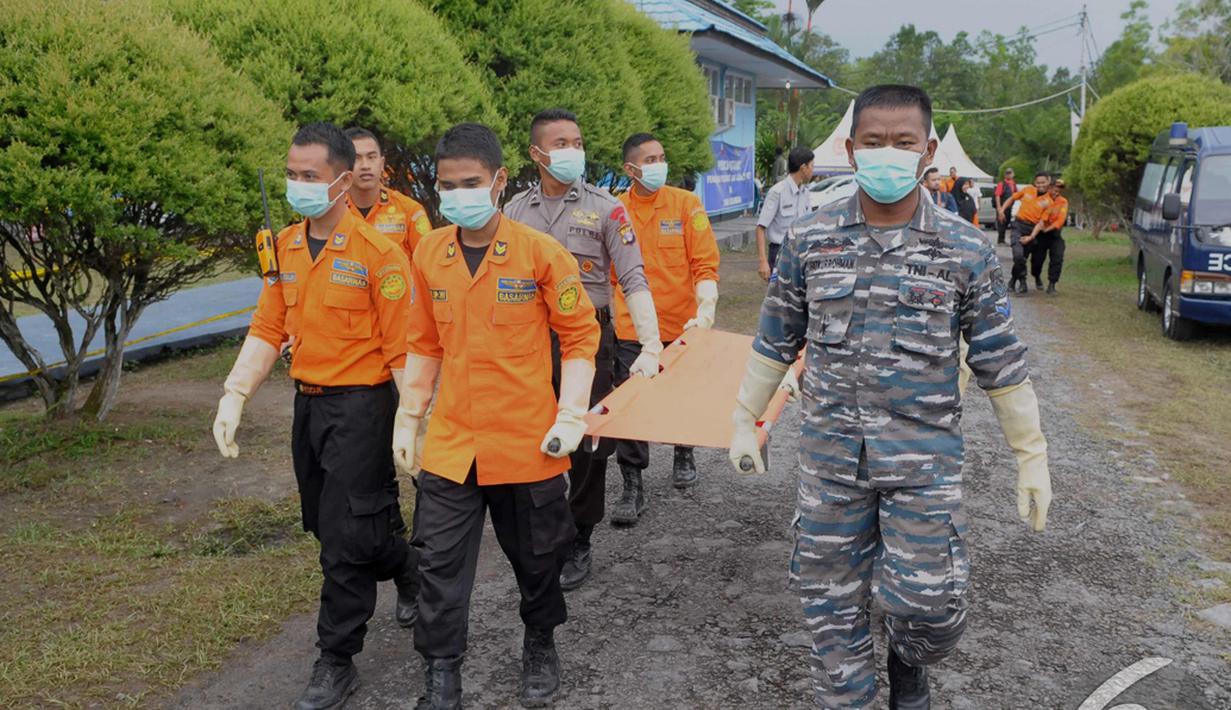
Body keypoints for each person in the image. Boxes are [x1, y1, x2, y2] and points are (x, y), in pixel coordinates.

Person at [728, 85, 1052, 709]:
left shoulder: (964, 247)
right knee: (829, 606)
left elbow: (1001, 364)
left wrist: (1031, 457)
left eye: (902, 143)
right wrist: (747, 420)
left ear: (928, 150)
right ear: (850, 151)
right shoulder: (810, 237)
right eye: (873, 143)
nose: (887, 154)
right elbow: (775, 341)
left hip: (923, 466)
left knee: (930, 606)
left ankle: (910, 657)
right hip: (830, 463)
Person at [211, 122, 420, 710]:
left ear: (343, 179)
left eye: (311, 176)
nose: (298, 185)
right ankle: (406, 567)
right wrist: (235, 392)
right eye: (292, 174)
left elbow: (403, 350)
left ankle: (336, 658)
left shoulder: (382, 254)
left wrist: (410, 422)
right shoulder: (286, 247)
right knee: (331, 523)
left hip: (363, 407)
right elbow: (268, 326)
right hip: (309, 406)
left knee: (344, 537)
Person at [392, 122, 601, 710]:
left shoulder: (539, 253)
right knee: (436, 563)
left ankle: (539, 641)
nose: (457, 194)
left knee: (539, 560)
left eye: (471, 183)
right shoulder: (429, 252)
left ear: (499, 180)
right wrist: (408, 419)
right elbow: (424, 342)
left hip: (526, 441)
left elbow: (580, 336)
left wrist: (571, 414)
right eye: (447, 184)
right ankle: (441, 673)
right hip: (454, 443)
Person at [504, 108, 661, 592]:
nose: (573, 150)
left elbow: (632, 276)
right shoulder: (514, 211)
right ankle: (544, 528)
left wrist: (651, 340)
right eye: (561, 143)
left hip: (590, 338)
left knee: (589, 444)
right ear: (537, 154)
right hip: (528, 342)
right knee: (535, 436)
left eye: (577, 141)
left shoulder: (607, 207)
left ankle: (580, 535)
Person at [609, 132, 722, 524]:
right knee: (630, 405)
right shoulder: (615, 210)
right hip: (632, 329)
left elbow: (705, 263)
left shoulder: (686, 204)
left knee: (683, 396)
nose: (659, 164)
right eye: (650, 159)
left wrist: (705, 309)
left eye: (661, 157)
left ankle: (683, 449)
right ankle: (632, 485)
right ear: (630, 169)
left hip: (682, 322)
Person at [344, 127, 433, 263]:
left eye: (371, 157)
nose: (365, 166)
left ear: (381, 163)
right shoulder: (331, 212)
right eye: (356, 159)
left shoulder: (410, 211)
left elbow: (428, 265)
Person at [756, 146, 815, 280]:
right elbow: (760, 228)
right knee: (779, 298)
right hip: (780, 254)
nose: (813, 170)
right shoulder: (777, 192)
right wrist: (763, 262)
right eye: (812, 165)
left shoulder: (805, 193)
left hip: (802, 253)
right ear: (803, 167)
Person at [998, 172, 1053, 295]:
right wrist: (1001, 210)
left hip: (1032, 229)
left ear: (1048, 182)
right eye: (1038, 182)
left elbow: (1041, 223)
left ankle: (1012, 281)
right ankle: (1023, 283)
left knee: (1022, 258)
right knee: (1018, 255)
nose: (1040, 185)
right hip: (1018, 225)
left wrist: (1031, 237)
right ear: (1035, 182)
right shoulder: (1028, 190)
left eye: (1043, 182)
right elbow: (1012, 198)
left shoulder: (1049, 202)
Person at [1028, 178, 1069, 294]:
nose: (1057, 190)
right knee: (1037, 260)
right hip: (1041, 233)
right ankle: (1036, 276)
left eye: (1060, 188)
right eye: (1055, 188)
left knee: (1057, 257)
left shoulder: (1063, 202)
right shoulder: (1042, 199)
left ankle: (1052, 284)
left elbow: (1060, 220)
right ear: (1049, 187)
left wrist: (1048, 228)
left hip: (1054, 233)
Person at [993, 168, 1017, 244]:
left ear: (1013, 174)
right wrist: (999, 209)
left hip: (1010, 207)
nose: (1009, 174)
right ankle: (1000, 240)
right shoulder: (1001, 184)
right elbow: (997, 196)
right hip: (1002, 207)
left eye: (1010, 173)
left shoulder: (1013, 184)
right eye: (1007, 173)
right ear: (1005, 174)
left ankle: (1003, 239)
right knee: (1001, 223)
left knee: (1007, 223)